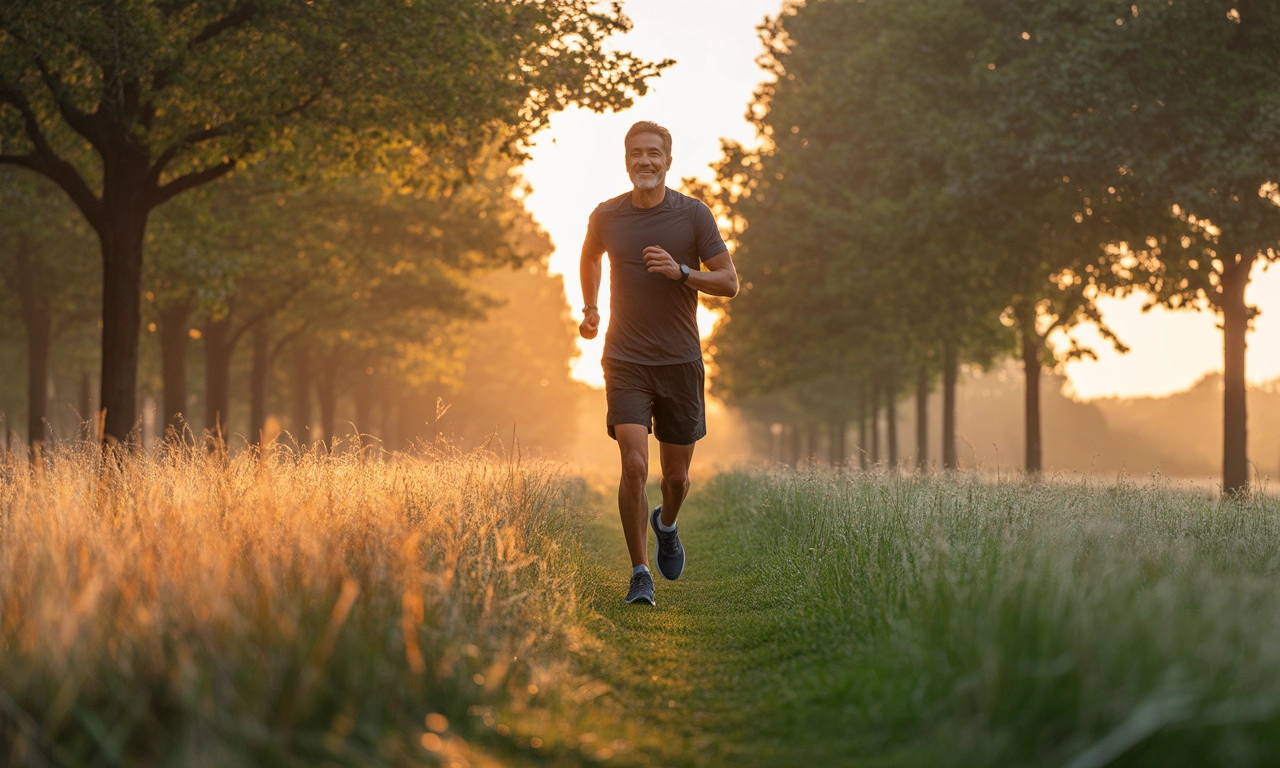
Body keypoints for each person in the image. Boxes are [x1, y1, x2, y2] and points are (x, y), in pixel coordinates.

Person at [578, 121, 740, 606]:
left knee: (676, 479)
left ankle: (666, 523)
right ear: (626, 160)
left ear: (669, 161)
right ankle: (639, 573)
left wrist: (682, 272)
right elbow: (589, 257)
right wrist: (590, 308)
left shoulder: (692, 216)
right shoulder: (607, 216)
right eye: (636, 153)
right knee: (633, 465)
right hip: (625, 359)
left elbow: (730, 282)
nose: (644, 161)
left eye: (653, 153)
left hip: (680, 361)